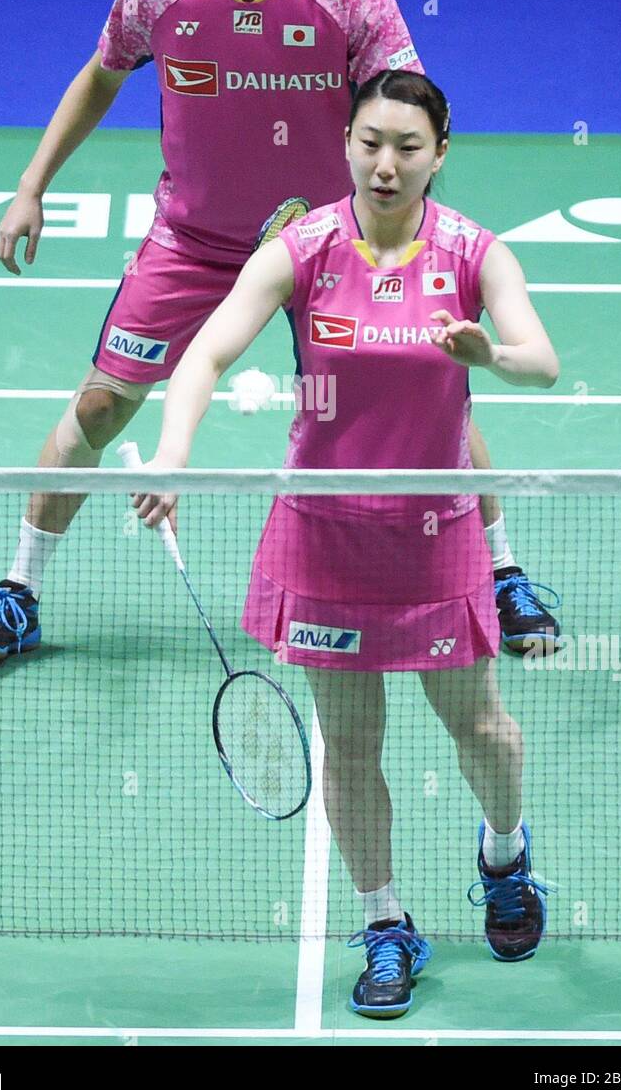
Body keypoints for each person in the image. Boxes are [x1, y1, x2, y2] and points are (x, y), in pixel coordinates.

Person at [0, 0, 558, 669]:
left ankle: (500, 572)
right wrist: (30, 186)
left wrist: (402, 224)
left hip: (328, 242)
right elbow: (99, 76)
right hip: (194, 239)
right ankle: (19, 588)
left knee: (427, 390)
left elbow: (406, 109)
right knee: (99, 405)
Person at [132, 70, 558, 1018]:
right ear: (347, 143)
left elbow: (543, 360)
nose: (385, 162)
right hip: (324, 537)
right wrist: (172, 452)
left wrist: (491, 355)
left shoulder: (472, 254)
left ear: (440, 154)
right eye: (369, 141)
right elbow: (205, 350)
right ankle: (384, 921)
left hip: (434, 535)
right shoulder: (306, 246)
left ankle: (503, 856)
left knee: (480, 729)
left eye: (408, 146)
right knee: (352, 748)